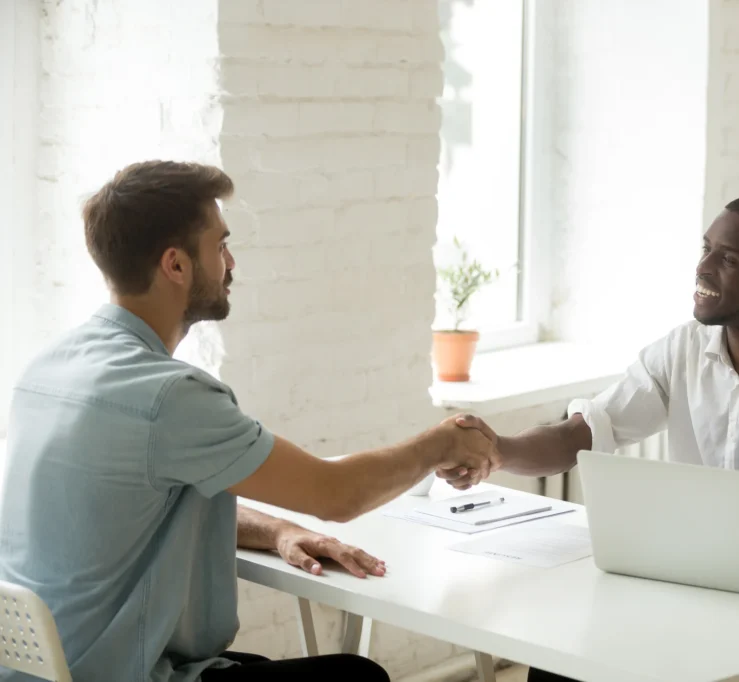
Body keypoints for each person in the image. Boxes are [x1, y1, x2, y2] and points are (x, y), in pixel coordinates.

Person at [0, 161, 500, 682]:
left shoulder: (47, 370)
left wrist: (278, 529)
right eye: (219, 246)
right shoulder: (169, 397)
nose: (231, 262)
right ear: (176, 264)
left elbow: (128, 514)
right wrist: (439, 444)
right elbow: (337, 494)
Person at [443, 195, 739, 682]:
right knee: (561, 655)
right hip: (694, 590)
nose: (703, 267)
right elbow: (579, 436)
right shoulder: (682, 349)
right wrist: (497, 451)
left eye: (727, 259)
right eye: (706, 248)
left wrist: (664, 534)